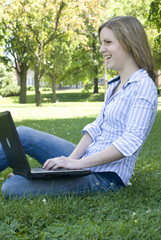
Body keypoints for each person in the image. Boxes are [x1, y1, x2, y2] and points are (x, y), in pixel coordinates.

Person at [1, 16, 158, 198]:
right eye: (101, 42)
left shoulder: (143, 86)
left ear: (129, 43)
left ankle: (31, 180)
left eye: (108, 42)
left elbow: (130, 142)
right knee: (22, 133)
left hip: (105, 177)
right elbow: (96, 128)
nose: (101, 49)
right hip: (86, 161)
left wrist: (78, 165)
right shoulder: (115, 85)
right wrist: (71, 160)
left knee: (12, 187)